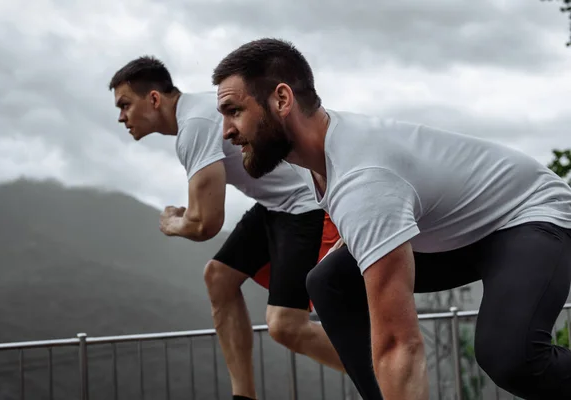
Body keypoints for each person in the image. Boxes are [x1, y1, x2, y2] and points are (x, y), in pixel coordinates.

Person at [210, 38, 571, 400]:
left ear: (282, 100)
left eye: (234, 111)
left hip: (530, 214)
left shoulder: (363, 177)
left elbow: (401, 345)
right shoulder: (313, 158)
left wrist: (368, 219)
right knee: (329, 280)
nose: (226, 130)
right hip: (462, 233)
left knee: (510, 358)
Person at [107, 56, 344, 400]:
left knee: (285, 327)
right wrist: (189, 216)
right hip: (275, 205)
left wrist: (173, 223)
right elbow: (204, 213)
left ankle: (384, 371)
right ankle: (243, 396)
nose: (121, 117)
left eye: (125, 104)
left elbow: (205, 223)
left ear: (154, 99)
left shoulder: (195, 124)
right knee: (218, 277)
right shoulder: (199, 115)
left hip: (305, 204)